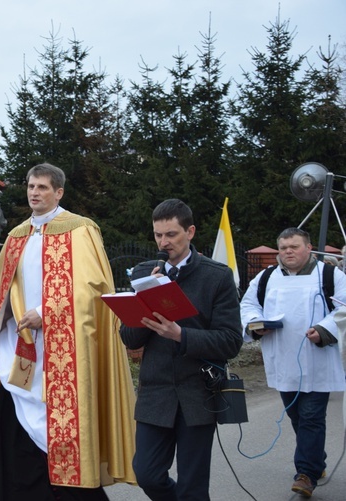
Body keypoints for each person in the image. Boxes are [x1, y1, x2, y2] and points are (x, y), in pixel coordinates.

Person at [0, 163, 137, 499]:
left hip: (64, 351)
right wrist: (6, 311)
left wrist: (47, 312)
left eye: (41, 187)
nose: (34, 193)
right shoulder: (17, 235)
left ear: (59, 192)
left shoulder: (80, 230)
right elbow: (2, 289)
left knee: (63, 431)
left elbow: (92, 290)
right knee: (12, 426)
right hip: (21, 346)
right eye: (30, 186)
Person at [120, 198, 242, 501]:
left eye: (171, 235)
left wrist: (180, 335)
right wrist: (147, 298)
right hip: (155, 393)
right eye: (158, 235)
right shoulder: (145, 272)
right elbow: (130, 339)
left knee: (193, 485)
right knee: (146, 474)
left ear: (190, 232)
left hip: (197, 394)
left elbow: (230, 341)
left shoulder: (217, 276)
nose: (164, 242)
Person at [240, 227, 346, 498]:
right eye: (283, 247)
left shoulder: (331, 275)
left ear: (308, 248)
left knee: (311, 416)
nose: (288, 251)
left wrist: (324, 330)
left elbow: (344, 308)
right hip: (283, 359)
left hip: (318, 359)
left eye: (294, 246)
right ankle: (316, 458)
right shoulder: (266, 278)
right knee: (297, 415)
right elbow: (248, 305)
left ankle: (306, 474)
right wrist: (256, 324)